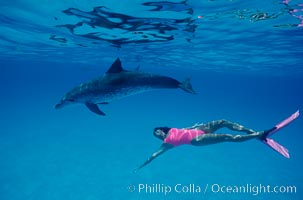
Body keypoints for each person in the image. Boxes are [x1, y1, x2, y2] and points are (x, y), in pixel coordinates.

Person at [134, 119, 271, 172]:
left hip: (201, 130)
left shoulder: (171, 130)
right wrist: (141, 165)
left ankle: (249, 131)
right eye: (155, 135)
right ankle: (259, 134)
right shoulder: (166, 144)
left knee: (223, 121)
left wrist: (194, 125)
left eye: (157, 131)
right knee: (227, 137)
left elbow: (184, 129)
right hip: (197, 140)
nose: (156, 134)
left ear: (161, 129)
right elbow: (154, 156)